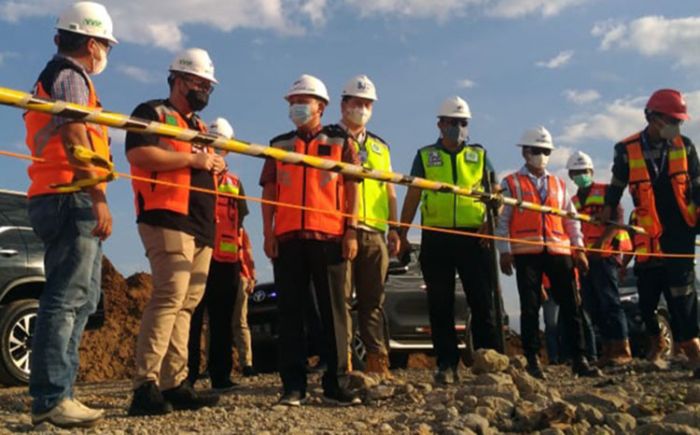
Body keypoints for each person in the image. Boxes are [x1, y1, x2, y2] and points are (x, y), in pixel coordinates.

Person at [24, 2, 116, 428]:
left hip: (57, 193)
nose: (104, 57)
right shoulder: (69, 78)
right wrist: (98, 196)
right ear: (93, 43)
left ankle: (60, 393)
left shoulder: (57, 77)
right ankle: (51, 397)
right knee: (65, 298)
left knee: (82, 298)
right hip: (68, 195)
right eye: (105, 47)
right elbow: (77, 136)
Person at [126, 48, 224, 416]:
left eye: (207, 85)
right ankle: (145, 385)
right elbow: (138, 154)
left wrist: (210, 163)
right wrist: (192, 159)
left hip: (200, 224)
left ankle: (174, 382)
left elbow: (200, 163)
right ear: (178, 79)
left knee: (187, 304)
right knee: (169, 297)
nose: (204, 89)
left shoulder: (198, 126)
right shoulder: (151, 113)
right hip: (165, 215)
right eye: (199, 82)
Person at [260, 74, 361, 406]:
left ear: (321, 106)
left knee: (334, 313)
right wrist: (268, 233)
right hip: (288, 237)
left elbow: (352, 187)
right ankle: (293, 386)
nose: (297, 107)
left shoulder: (340, 142)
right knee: (290, 314)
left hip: (329, 236)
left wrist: (351, 230)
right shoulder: (279, 145)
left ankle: (337, 381)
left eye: (303, 101)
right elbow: (270, 191)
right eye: (293, 102)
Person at [399, 96, 501, 385]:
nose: (457, 127)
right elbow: (413, 195)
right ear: (440, 124)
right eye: (452, 122)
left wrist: (488, 224)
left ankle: (487, 360)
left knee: (482, 301)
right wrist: (401, 232)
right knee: (439, 303)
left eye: (463, 123)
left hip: (474, 237)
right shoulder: (425, 155)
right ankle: (446, 364)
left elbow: (496, 193)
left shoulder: (480, 155)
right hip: (437, 236)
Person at [600, 89, 700, 373]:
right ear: (653, 118)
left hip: (681, 228)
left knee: (682, 291)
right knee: (647, 299)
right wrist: (608, 208)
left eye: (679, 121)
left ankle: (692, 349)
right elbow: (617, 184)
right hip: (648, 230)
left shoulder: (686, 146)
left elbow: (697, 186)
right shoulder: (627, 149)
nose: (677, 126)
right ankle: (659, 343)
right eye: (672, 120)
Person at [496, 126, 601, 380]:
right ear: (525, 152)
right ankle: (533, 359)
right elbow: (502, 219)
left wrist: (579, 250)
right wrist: (504, 251)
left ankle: (579, 358)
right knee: (530, 308)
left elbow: (571, 220)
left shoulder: (559, 184)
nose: (542, 155)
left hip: (559, 251)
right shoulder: (510, 183)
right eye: (537, 150)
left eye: (546, 151)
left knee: (571, 307)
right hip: (526, 253)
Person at [333, 75, 400, 379]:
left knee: (373, 301)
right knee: (342, 301)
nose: (361, 109)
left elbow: (390, 191)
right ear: (343, 104)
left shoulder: (380, 147)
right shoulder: (330, 138)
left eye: (367, 104)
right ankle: (343, 362)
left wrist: (395, 229)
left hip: (375, 231)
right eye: (356, 103)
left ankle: (377, 360)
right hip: (340, 228)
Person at [187, 117, 249, 391]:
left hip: (226, 260)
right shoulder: (194, 174)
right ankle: (185, 375)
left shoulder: (234, 182)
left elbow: (240, 224)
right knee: (191, 317)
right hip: (198, 253)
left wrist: (245, 264)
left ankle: (220, 375)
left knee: (223, 320)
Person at [566, 151, 633, 367]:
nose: (580, 175)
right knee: (593, 305)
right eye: (576, 172)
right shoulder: (573, 201)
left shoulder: (606, 192)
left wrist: (599, 244)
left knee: (610, 302)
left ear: (591, 171)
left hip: (606, 255)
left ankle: (622, 349)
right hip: (585, 259)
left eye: (583, 171)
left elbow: (618, 221)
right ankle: (607, 350)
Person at [620, 211, 678, 367]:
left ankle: (681, 348)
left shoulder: (665, 204)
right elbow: (631, 244)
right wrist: (623, 265)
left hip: (668, 265)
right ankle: (657, 344)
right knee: (646, 309)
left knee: (676, 308)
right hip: (645, 267)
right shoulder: (635, 214)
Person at [235, 227, 257, 377]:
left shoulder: (241, 230)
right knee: (214, 324)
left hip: (240, 277)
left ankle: (247, 364)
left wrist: (252, 277)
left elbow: (248, 255)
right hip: (218, 275)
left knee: (240, 322)